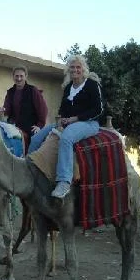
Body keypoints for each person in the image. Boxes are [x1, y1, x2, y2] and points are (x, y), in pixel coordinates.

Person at [28, 54, 103, 199]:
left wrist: (76, 118)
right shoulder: (68, 87)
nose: (75, 70)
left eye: (78, 67)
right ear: (69, 69)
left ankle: (64, 181)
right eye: (72, 67)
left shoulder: (92, 85)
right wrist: (62, 119)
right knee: (36, 138)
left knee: (66, 138)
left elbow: (98, 110)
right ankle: (29, 170)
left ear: (83, 69)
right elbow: (62, 108)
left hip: (89, 123)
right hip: (69, 122)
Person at [0, 66, 48, 149]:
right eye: (16, 76)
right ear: (13, 76)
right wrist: (2, 112)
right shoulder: (10, 92)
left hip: (31, 128)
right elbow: (7, 109)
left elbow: (43, 109)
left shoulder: (33, 90)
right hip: (14, 126)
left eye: (21, 76)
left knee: (33, 148)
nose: (19, 78)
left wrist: (39, 126)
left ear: (26, 76)